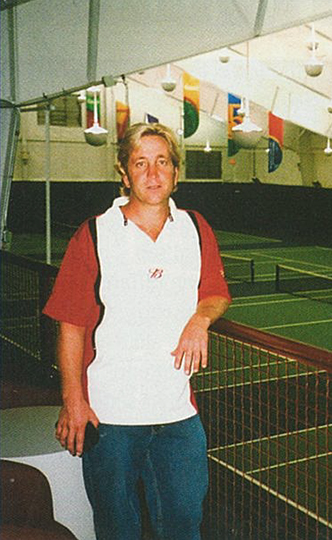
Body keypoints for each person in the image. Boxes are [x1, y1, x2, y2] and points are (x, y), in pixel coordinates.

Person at [43, 122, 231, 540]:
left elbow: (216, 293)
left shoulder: (196, 229)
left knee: (183, 526)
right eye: (140, 163)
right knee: (117, 529)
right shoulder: (94, 234)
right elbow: (70, 325)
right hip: (110, 419)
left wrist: (200, 320)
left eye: (162, 162)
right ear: (124, 174)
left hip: (178, 418)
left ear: (176, 172)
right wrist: (74, 401)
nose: (152, 173)